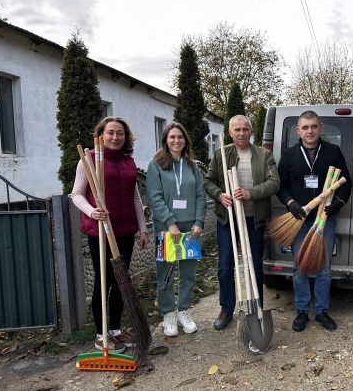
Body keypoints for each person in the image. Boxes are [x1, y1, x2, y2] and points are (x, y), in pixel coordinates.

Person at [72, 116, 149, 353]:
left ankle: (114, 330)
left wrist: (143, 227)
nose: (115, 137)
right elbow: (76, 194)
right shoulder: (89, 160)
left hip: (125, 230)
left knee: (120, 280)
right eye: (110, 133)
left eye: (120, 133)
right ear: (102, 135)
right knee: (103, 281)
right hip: (101, 232)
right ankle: (100, 334)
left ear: (126, 137)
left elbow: (136, 197)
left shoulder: (128, 162)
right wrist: (92, 211)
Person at [277, 110, 352, 332]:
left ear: (320, 128)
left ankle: (321, 311)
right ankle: (301, 311)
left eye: (314, 127)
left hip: (324, 220)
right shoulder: (289, 155)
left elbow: (345, 182)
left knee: (323, 268)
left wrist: (338, 203)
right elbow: (281, 185)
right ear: (298, 130)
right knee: (300, 268)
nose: (310, 131)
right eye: (305, 127)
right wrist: (290, 203)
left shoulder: (332, 151)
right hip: (298, 221)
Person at [204, 115, 280, 333]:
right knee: (226, 266)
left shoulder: (264, 155)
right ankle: (226, 308)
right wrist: (220, 195)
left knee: (254, 265)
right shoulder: (221, 154)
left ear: (251, 131)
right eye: (237, 129)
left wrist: (250, 193)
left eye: (245, 129)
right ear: (230, 132)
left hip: (253, 218)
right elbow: (208, 181)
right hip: (228, 218)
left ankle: (256, 305)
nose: (241, 133)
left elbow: (274, 183)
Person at [146, 122, 206, 337]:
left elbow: (200, 194)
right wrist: (170, 222)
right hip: (166, 228)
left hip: (191, 228)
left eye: (180, 137)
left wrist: (199, 221)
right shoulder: (156, 165)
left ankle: (184, 310)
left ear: (185, 140)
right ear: (165, 140)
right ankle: (168, 313)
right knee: (166, 272)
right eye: (172, 137)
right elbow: (154, 196)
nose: (176, 141)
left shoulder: (192, 166)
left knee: (188, 273)